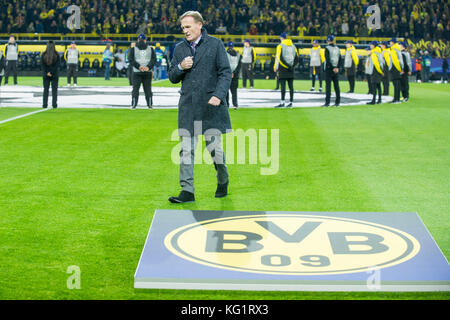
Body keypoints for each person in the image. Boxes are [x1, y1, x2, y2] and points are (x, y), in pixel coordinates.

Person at [168, 11, 232, 203]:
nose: (185, 31)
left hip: (211, 106)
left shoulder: (216, 44)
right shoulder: (179, 48)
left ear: (199, 25)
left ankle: (223, 179)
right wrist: (180, 66)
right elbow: (172, 76)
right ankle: (187, 190)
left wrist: (218, 96)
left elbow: (226, 73)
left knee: (215, 150)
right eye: (183, 28)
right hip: (188, 106)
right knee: (186, 150)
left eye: (188, 27)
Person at [129, 34, 156, 109]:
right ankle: (150, 105)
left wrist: (138, 66)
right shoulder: (150, 49)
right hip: (147, 72)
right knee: (148, 89)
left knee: (135, 89)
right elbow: (154, 59)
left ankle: (134, 104)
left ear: (138, 40)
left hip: (137, 72)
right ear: (145, 40)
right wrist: (148, 67)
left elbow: (131, 60)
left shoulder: (133, 49)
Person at [273, 32, 298, 108]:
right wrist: (292, 66)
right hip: (291, 68)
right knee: (291, 86)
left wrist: (276, 67)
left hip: (283, 68)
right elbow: (297, 58)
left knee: (283, 86)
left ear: (282, 38)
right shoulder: (293, 46)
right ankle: (291, 102)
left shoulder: (280, 46)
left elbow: (279, 58)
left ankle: (282, 102)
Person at [323, 35, 342, 107]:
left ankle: (327, 102)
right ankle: (338, 102)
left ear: (328, 41)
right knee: (336, 86)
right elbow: (340, 59)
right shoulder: (337, 48)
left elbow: (327, 59)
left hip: (329, 69)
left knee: (328, 86)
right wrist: (337, 67)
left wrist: (332, 68)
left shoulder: (327, 48)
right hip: (336, 69)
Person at [41, 40, 60, 109]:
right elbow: (57, 66)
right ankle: (54, 104)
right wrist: (51, 72)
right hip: (54, 74)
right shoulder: (57, 54)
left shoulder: (43, 54)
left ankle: (44, 104)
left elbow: (43, 66)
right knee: (54, 90)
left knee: (46, 90)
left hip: (46, 75)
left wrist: (47, 72)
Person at [226, 41, 241, 110]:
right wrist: (234, 73)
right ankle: (235, 105)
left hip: (226, 75)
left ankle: (227, 105)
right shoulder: (238, 55)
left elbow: (224, 65)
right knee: (234, 91)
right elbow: (239, 66)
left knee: (226, 91)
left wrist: (230, 72)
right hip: (235, 76)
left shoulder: (224, 54)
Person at [389, 38, 404, 103]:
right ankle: (396, 98)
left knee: (396, 84)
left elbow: (395, 60)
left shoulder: (394, 49)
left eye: (391, 42)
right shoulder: (396, 48)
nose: (390, 43)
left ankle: (396, 99)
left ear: (393, 42)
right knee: (396, 84)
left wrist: (399, 68)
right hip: (397, 68)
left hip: (395, 68)